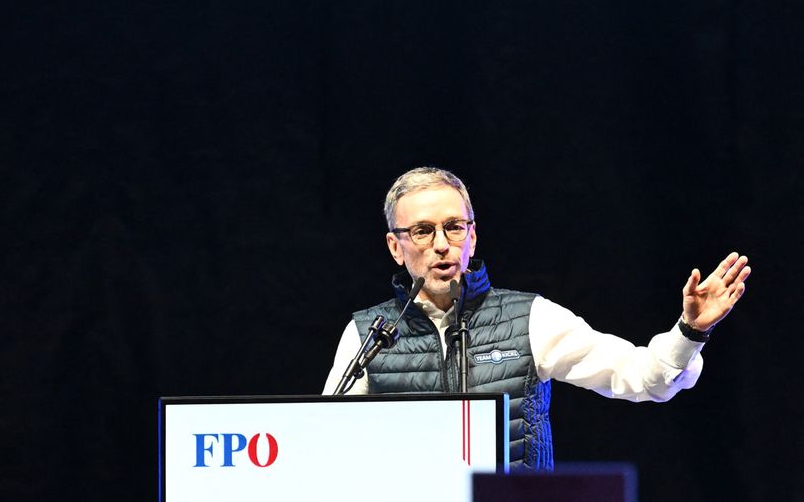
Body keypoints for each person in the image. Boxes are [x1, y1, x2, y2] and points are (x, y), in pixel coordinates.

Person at [322, 167, 751, 471]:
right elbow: (327, 445)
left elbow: (645, 378)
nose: (441, 244)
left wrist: (691, 330)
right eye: (422, 231)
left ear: (472, 235)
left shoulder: (529, 318)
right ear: (395, 246)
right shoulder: (369, 334)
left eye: (454, 227)